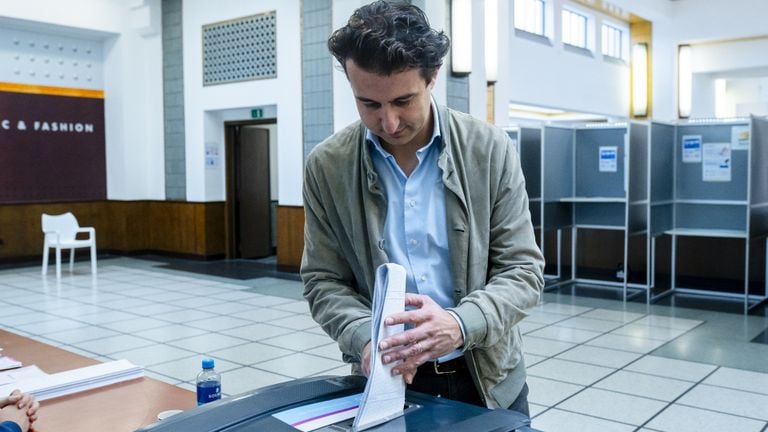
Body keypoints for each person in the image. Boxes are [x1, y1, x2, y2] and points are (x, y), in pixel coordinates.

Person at [301, 0, 544, 416]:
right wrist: (364, 337)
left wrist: (461, 324)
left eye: (403, 101)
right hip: (387, 380)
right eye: (369, 104)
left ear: (433, 77)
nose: (389, 123)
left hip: (488, 379)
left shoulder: (488, 149)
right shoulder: (328, 166)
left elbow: (523, 271)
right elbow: (323, 280)